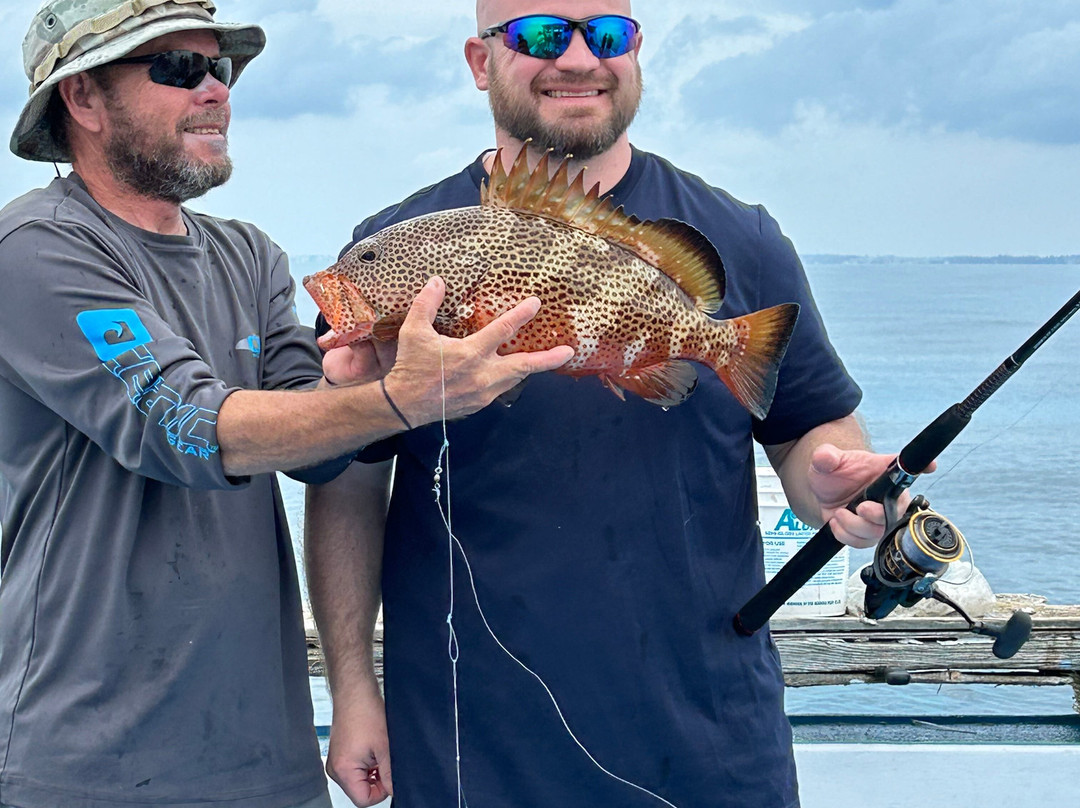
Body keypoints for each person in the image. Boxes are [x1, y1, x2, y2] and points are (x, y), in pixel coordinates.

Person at [306, 2, 904, 806]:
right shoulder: (399, 240)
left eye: (608, 34)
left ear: (636, 54)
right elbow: (346, 483)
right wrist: (352, 689)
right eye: (543, 34)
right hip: (467, 743)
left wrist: (832, 484)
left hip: (710, 744)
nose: (581, 57)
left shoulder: (744, 238)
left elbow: (808, 434)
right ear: (481, 62)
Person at [0, 1, 572, 807]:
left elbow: (317, 441)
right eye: (176, 68)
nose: (214, 92)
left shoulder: (251, 254)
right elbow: (191, 428)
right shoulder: (35, 250)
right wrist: (401, 399)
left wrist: (358, 378)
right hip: (85, 768)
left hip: (269, 762)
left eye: (219, 68)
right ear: (83, 100)